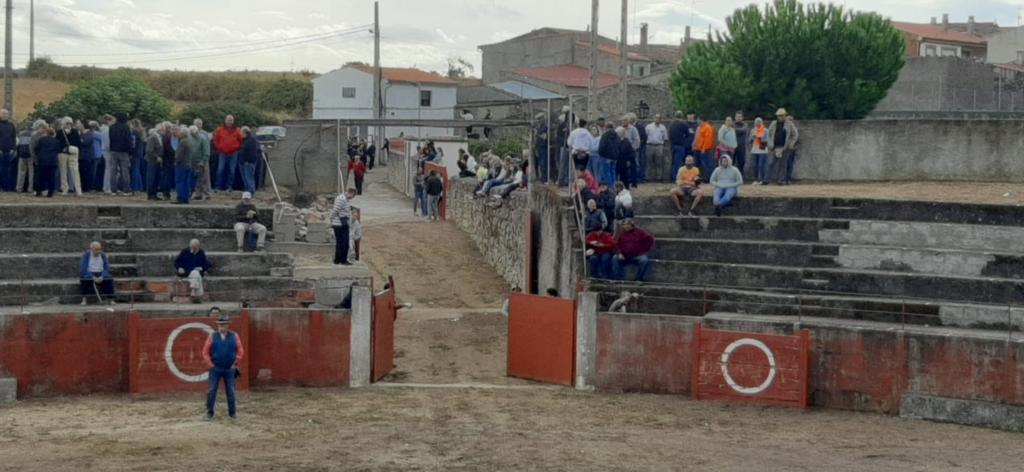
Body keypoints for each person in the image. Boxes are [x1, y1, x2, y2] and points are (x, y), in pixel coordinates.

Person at [202, 314, 245, 420]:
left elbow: (240, 351)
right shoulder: (212, 336)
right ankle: (209, 412)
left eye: (224, 325)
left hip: (229, 368)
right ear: (218, 326)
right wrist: (211, 364)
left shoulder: (234, 336)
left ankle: (232, 413)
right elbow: (205, 352)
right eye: (220, 325)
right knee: (212, 390)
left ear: (228, 325)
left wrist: (235, 363)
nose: (221, 327)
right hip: (215, 368)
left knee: (231, 390)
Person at [766, 108, 799, 185]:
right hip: (774, 147)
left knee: (783, 164)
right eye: (779, 116)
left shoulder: (789, 124)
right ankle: (766, 179)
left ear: (785, 115)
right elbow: (768, 134)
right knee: (770, 163)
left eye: (782, 115)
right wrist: (769, 143)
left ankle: (780, 180)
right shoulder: (773, 123)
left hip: (784, 147)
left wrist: (791, 144)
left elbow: (795, 134)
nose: (780, 117)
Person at [213, 115, 243, 191]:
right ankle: (217, 186)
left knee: (232, 170)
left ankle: (229, 187)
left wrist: (236, 148)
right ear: (225, 120)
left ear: (233, 121)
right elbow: (215, 140)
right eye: (228, 120)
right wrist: (219, 147)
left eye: (231, 120)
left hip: (233, 153)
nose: (229, 122)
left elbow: (241, 140)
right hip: (222, 153)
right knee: (220, 169)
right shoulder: (219, 130)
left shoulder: (238, 130)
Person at [329, 189, 357, 265]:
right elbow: (335, 210)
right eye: (352, 196)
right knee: (344, 242)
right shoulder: (341, 199)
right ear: (350, 193)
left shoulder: (344, 199)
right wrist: (331, 219)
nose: (352, 198)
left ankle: (339, 260)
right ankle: (342, 260)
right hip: (339, 224)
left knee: (341, 242)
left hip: (341, 223)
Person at [55, 117, 82, 196]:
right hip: (63, 153)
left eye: (70, 123)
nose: (68, 125)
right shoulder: (60, 132)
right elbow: (58, 143)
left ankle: (78, 189)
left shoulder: (75, 132)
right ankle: (65, 188)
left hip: (72, 153)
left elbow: (78, 143)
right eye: (67, 123)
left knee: (75, 171)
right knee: (63, 172)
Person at [109, 113, 133, 195]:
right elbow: (129, 140)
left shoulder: (111, 127)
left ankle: (113, 190)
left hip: (113, 151)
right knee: (125, 171)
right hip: (124, 151)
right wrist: (130, 151)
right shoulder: (126, 127)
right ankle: (126, 189)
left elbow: (111, 139)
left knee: (113, 171)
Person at [33, 126, 61, 198]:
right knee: (51, 177)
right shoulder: (56, 141)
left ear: (46, 133)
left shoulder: (42, 140)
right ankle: (50, 192)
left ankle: (39, 191)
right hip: (52, 161)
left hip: (42, 160)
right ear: (53, 134)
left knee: (40, 176)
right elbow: (58, 150)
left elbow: (36, 149)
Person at [668, 111, 692, 180]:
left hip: (672, 145)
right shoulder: (683, 124)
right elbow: (688, 134)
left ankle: (673, 177)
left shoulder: (671, 124)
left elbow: (669, 135)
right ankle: (678, 177)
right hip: (680, 145)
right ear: (681, 116)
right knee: (679, 162)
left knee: (673, 162)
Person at [644, 114, 668, 182]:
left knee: (659, 162)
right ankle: (648, 177)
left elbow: (665, 138)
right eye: (656, 118)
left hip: (659, 146)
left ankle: (659, 177)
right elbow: (646, 135)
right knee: (649, 162)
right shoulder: (648, 127)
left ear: (661, 119)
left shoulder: (663, 128)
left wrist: (664, 147)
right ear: (653, 118)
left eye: (659, 118)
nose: (657, 119)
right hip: (650, 145)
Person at [191, 123, 212, 201]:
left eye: (193, 134)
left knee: (205, 178)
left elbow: (206, 151)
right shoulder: (191, 138)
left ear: (196, 132)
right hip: (194, 161)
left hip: (202, 160)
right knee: (197, 178)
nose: (192, 135)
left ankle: (207, 194)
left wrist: (203, 160)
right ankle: (198, 194)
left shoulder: (203, 138)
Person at [174, 126, 195, 204]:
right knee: (186, 181)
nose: (178, 133)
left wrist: (176, 161)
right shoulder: (190, 141)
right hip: (188, 163)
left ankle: (181, 198)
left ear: (183, 133)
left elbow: (179, 155)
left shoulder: (182, 142)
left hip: (181, 164)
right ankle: (186, 198)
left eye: (179, 132)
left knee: (179, 181)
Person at [238, 127, 260, 195]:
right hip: (243, 162)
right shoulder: (245, 140)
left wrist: (248, 161)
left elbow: (252, 152)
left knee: (249, 178)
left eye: (241, 132)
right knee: (245, 178)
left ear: (245, 133)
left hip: (248, 163)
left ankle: (251, 191)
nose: (240, 134)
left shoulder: (251, 140)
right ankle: (247, 191)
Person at [144, 125, 165, 200]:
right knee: (151, 177)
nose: (164, 132)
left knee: (156, 177)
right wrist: (157, 156)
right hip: (152, 160)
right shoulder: (153, 138)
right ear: (159, 130)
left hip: (157, 161)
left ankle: (154, 193)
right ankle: (150, 193)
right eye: (163, 130)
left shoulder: (159, 138)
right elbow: (149, 150)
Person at [693, 117, 715, 183]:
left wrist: (704, 148)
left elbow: (708, 139)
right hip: (700, 149)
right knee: (704, 164)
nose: (697, 121)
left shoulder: (707, 127)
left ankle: (708, 178)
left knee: (707, 164)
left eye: (698, 120)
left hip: (705, 149)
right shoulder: (701, 127)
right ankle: (705, 177)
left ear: (701, 120)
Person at [748, 117, 770, 185]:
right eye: (756, 122)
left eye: (759, 122)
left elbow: (767, 140)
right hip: (754, 150)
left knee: (761, 165)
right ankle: (756, 179)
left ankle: (762, 179)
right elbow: (749, 140)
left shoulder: (765, 130)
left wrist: (759, 138)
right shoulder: (753, 130)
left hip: (762, 150)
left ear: (762, 122)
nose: (758, 123)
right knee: (755, 165)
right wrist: (752, 138)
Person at [79, 122, 98, 193]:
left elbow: (85, 142)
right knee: (83, 172)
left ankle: (89, 187)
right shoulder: (82, 134)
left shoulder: (89, 134)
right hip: (82, 156)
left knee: (88, 172)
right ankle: (84, 187)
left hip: (87, 156)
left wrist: (80, 140)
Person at [0, 109, 15, 192]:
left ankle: (7, 187)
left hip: (9, 151)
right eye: (4, 113)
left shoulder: (11, 125)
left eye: (7, 114)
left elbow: (13, 137)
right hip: (0, 151)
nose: (5, 115)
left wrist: (13, 148)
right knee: (1, 169)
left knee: (8, 169)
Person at [130, 119, 147, 193]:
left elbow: (133, 143)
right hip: (140, 152)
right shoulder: (142, 132)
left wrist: (131, 152)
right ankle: (139, 186)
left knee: (134, 170)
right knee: (137, 169)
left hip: (135, 153)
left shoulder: (134, 132)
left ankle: (135, 187)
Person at [15, 125, 32, 193]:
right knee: (31, 173)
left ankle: (19, 188)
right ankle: (30, 188)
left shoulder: (21, 134)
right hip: (30, 155)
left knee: (21, 172)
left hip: (22, 155)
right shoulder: (33, 134)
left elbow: (18, 144)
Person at [533, 113, 550, 183]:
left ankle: (545, 179)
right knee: (539, 164)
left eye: (540, 119)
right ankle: (542, 178)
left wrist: (537, 133)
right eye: (538, 119)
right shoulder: (539, 127)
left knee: (544, 164)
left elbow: (544, 137)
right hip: (538, 148)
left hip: (543, 147)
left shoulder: (545, 127)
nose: (538, 121)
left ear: (543, 118)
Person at [99, 114, 113, 194]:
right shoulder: (107, 130)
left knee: (108, 169)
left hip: (104, 150)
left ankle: (106, 187)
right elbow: (108, 143)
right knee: (109, 169)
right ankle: (107, 187)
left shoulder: (102, 129)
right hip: (108, 151)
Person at [733, 111, 749, 177]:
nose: (739, 118)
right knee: (731, 162)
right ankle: (731, 177)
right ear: (735, 117)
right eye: (737, 116)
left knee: (741, 162)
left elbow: (743, 130)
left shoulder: (745, 124)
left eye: (740, 117)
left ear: (742, 118)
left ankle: (740, 177)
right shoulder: (732, 124)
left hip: (741, 146)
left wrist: (734, 129)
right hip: (732, 146)